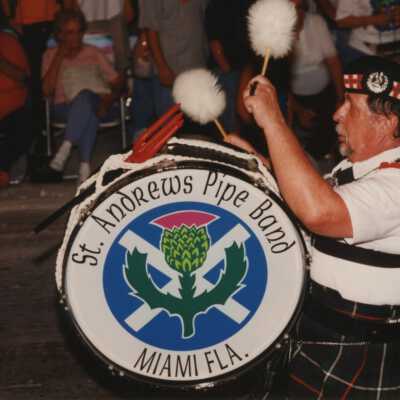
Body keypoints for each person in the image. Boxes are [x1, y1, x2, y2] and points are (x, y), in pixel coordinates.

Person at [229, 56, 400, 398]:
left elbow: (319, 211)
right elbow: (311, 192)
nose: (337, 114)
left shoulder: (395, 184)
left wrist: (274, 121)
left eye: (349, 106)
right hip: (321, 331)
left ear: (384, 122)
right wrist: (257, 164)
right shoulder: (358, 169)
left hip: (358, 353)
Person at [33, 9, 123, 184]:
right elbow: (46, 91)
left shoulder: (93, 53)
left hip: (100, 103)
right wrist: (59, 56)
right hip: (64, 108)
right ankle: (85, 166)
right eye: (68, 33)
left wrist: (108, 99)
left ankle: (64, 151)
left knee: (86, 98)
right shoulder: (50, 55)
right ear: (59, 35)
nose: (74, 37)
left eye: (78, 31)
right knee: (88, 109)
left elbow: (118, 83)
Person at [289, 0, 344, 160]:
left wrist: (341, 98)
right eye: (291, 8)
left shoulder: (316, 22)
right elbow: (278, 83)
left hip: (324, 92)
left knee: (327, 134)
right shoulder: (277, 34)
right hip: (293, 100)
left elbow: (333, 62)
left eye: (300, 7)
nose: (297, 12)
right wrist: (298, 110)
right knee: (297, 144)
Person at [137, 0, 209, 117]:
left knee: (198, 123)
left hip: (197, 69)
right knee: (169, 123)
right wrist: (162, 67)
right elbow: (150, 30)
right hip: (170, 70)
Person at [0, 19, 31, 188]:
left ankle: (2, 170)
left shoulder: (8, 42)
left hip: (11, 109)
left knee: (23, 124)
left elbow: (23, 78)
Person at [335, 0, 400, 64]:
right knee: (354, 73)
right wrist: (377, 19)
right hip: (361, 51)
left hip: (396, 48)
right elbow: (342, 22)